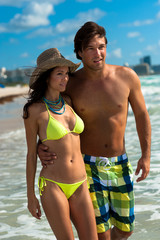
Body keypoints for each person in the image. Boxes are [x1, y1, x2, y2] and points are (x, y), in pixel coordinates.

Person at [38, 22, 151, 240]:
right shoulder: (71, 84)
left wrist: (146, 156)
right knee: (101, 234)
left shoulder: (127, 76)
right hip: (86, 167)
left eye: (101, 46)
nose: (97, 53)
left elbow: (141, 115)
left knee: (126, 229)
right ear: (79, 52)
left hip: (120, 164)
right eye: (90, 48)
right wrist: (39, 147)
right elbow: (49, 118)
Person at [23, 48, 98, 240]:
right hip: (53, 185)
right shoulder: (34, 111)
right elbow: (31, 154)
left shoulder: (69, 101)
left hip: (81, 183)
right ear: (47, 77)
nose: (65, 79)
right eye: (59, 74)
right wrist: (31, 196)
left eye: (66, 74)